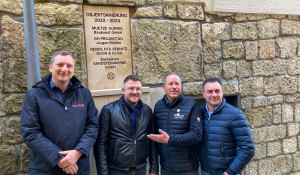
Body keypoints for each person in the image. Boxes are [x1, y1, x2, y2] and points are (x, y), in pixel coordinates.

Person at [20, 51, 99, 175]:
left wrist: (77, 152)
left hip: (78, 167)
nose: (64, 69)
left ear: (73, 69)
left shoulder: (84, 94)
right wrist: (60, 159)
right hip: (45, 169)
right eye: (60, 64)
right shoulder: (34, 95)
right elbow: (31, 132)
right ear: (51, 67)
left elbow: (92, 126)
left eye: (69, 66)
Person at [93, 75, 158, 175]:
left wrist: (153, 170)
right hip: (116, 169)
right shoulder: (109, 110)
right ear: (123, 90)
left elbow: (153, 141)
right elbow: (100, 145)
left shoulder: (147, 111)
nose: (135, 92)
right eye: (131, 88)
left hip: (140, 168)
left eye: (138, 89)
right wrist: (103, 173)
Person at [147, 72, 202, 175]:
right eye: (170, 84)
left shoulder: (192, 105)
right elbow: (154, 140)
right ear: (164, 87)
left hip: (188, 169)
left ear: (181, 86)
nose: (174, 87)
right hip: (166, 169)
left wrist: (170, 140)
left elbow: (196, 135)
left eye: (177, 84)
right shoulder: (158, 106)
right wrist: (154, 169)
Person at [199, 77, 255, 175]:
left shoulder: (235, 114)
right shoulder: (199, 113)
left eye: (217, 91)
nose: (214, 95)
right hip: (206, 171)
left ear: (222, 92)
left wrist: (229, 172)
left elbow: (248, 148)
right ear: (203, 94)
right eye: (210, 91)